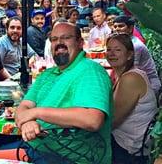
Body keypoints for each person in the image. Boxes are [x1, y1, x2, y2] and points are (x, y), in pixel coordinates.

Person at [14, 22, 113, 163]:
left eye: (66, 37)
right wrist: (27, 123)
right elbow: (23, 108)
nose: (59, 43)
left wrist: (36, 113)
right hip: (37, 150)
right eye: (54, 39)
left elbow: (93, 120)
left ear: (80, 43)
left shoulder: (90, 71)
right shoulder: (47, 74)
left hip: (70, 157)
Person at [106, 33, 158, 164]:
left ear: (129, 55)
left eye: (117, 50)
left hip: (131, 148)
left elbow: (113, 119)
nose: (111, 53)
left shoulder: (131, 78)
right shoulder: (122, 74)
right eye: (109, 49)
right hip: (130, 141)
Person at [112, 15, 161, 94]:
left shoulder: (136, 46)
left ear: (130, 28)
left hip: (149, 84)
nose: (117, 29)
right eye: (115, 27)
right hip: (136, 79)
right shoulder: (125, 42)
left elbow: (131, 70)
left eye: (120, 26)